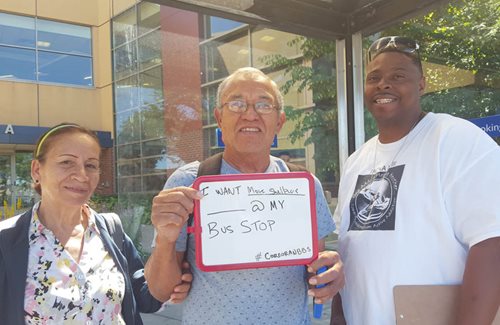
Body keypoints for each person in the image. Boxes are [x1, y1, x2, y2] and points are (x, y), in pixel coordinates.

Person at [145, 67, 345, 324]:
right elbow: (160, 290)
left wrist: (329, 274)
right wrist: (165, 238)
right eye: (237, 104)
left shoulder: (304, 186)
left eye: (263, 105)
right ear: (219, 118)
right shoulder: (189, 183)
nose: (250, 114)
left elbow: (313, 268)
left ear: (279, 122)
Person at [331, 36, 500, 325]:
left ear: (421, 83)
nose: (384, 84)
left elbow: (492, 243)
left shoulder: (456, 140)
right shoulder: (355, 161)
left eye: (398, 76)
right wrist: (338, 315)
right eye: (375, 78)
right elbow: (346, 252)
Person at [0, 123, 188, 324]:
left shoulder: (110, 230)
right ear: (37, 170)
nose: (82, 175)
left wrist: (167, 249)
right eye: (66, 162)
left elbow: (147, 297)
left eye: (90, 165)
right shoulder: (6, 241)